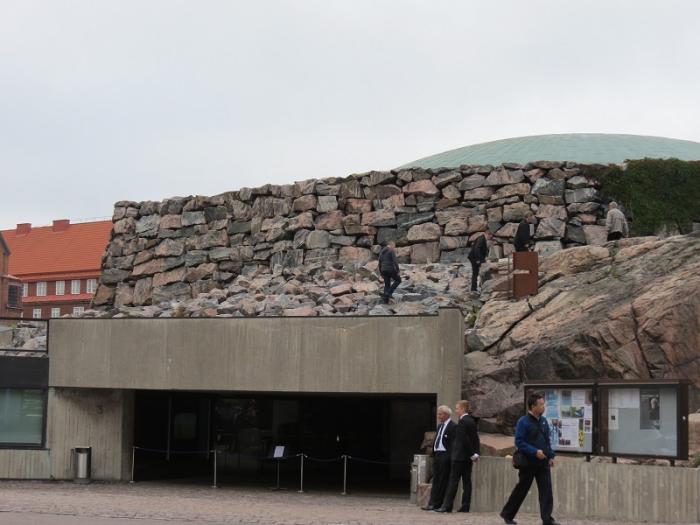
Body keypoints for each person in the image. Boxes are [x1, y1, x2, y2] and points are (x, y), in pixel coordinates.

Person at [500, 392, 560, 525]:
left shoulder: (543, 421)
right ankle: (507, 514)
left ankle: (547, 519)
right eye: (541, 404)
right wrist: (534, 451)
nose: (543, 406)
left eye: (543, 404)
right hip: (528, 462)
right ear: (533, 406)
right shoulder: (523, 421)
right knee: (522, 489)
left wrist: (550, 456)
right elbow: (519, 442)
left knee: (546, 490)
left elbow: (547, 441)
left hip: (543, 462)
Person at [435, 400, 480, 513]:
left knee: (453, 481)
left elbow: (464, 440)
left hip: (459, 457)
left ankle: (447, 506)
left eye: (457, 408)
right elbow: (475, 438)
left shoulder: (462, 421)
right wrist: (475, 454)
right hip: (468, 458)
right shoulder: (471, 421)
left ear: (463, 409)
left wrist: (471, 453)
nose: (456, 411)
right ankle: (465, 506)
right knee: (467, 482)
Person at [422, 405, 455, 511]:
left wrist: (450, 456)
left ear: (446, 414)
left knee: (443, 480)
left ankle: (439, 504)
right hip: (437, 454)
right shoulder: (440, 426)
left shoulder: (453, 426)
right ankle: (432, 503)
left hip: (446, 455)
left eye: (440, 414)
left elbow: (453, 443)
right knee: (435, 479)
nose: (438, 416)